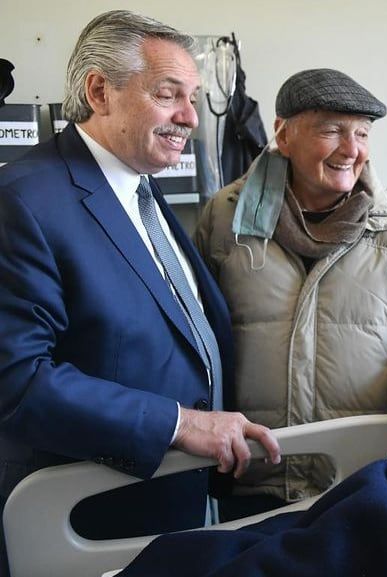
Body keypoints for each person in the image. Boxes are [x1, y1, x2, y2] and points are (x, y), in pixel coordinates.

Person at [0, 9, 281, 556]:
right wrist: (178, 424)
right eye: (168, 93)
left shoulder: (140, 190)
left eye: (194, 97)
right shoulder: (22, 201)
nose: (191, 118)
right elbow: (16, 380)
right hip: (86, 517)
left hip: (175, 498)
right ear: (100, 91)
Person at [195, 68, 387, 515]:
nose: (351, 150)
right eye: (332, 131)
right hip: (257, 472)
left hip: (367, 469)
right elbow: (194, 329)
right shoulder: (225, 218)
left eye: (362, 134)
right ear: (283, 136)